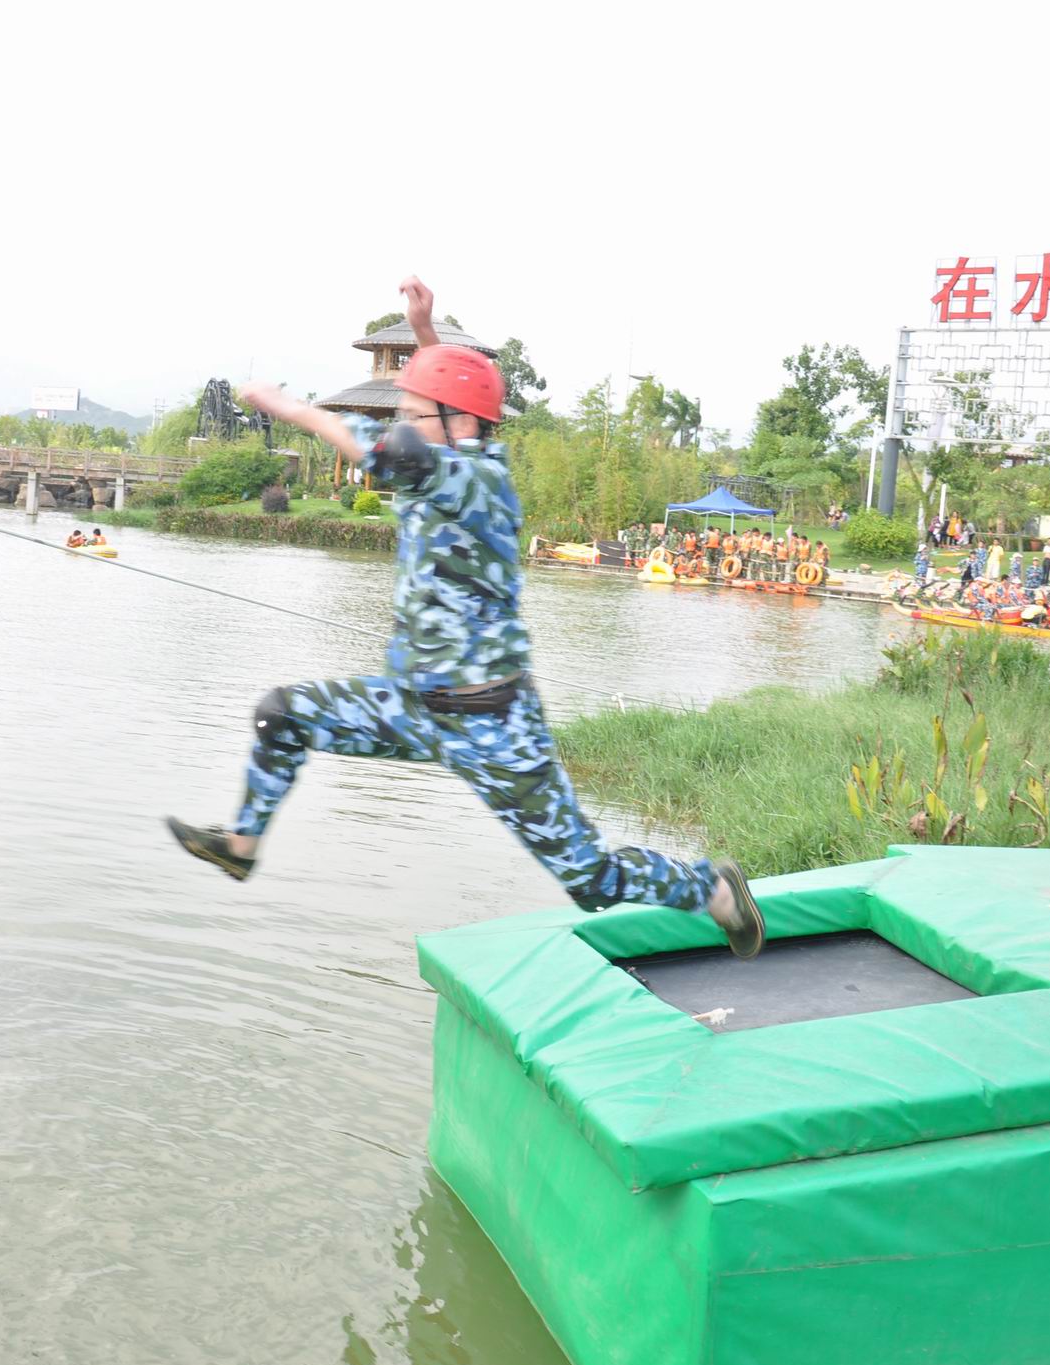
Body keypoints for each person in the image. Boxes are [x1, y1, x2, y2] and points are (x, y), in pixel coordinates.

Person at [165, 277, 765, 959]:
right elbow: (445, 400)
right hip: (412, 706)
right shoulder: (446, 458)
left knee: (589, 881)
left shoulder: (472, 478)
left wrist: (285, 405)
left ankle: (713, 889)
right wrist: (426, 333)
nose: (402, 426)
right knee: (282, 715)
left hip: (493, 722)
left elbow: (376, 445)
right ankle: (241, 847)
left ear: (459, 425)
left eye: (413, 416)